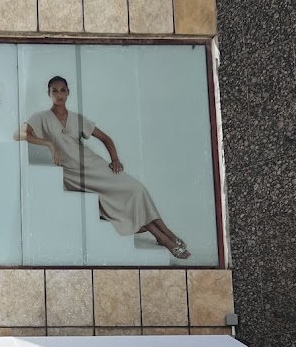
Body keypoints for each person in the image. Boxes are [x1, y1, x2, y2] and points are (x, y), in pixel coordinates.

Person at [17, 76, 190, 259]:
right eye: (54, 91)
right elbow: (19, 134)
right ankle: (164, 238)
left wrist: (115, 159)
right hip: (73, 174)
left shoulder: (78, 119)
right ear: (48, 93)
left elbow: (106, 138)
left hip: (94, 165)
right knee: (125, 200)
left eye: (62, 90)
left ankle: (167, 234)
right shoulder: (40, 117)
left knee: (137, 189)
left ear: (68, 92)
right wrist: (48, 143)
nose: (59, 94)